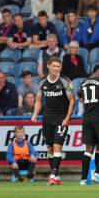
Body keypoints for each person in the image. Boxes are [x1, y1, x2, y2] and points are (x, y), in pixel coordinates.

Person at [32, 57, 75, 185]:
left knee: (57, 146)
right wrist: (35, 115)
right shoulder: (42, 83)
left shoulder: (65, 81)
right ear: (48, 66)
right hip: (47, 119)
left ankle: (52, 175)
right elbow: (39, 100)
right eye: (54, 66)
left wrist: (68, 117)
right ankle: (56, 175)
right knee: (50, 148)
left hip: (61, 118)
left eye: (58, 66)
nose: (56, 68)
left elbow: (72, 100)